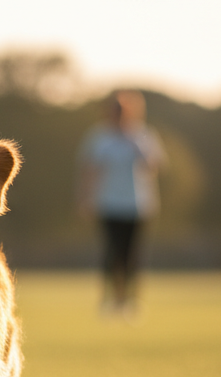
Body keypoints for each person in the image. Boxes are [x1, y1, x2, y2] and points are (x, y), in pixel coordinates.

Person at [77, 90, 166, 317]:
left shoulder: (142, 135)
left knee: (132, 255)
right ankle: (109, 299)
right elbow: (90, 170)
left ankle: (129, 300)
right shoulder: (100, 138)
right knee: (111, 253)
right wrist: (86, 198)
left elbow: (153, 166)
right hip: (108, 204)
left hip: (137, 204)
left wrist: (136, 144)